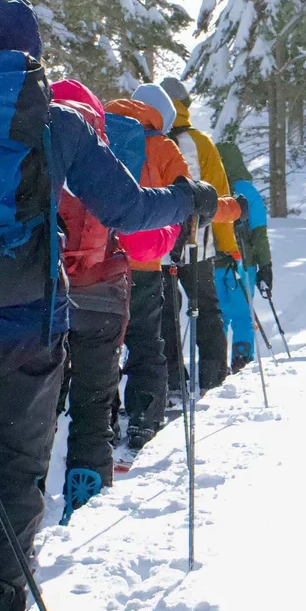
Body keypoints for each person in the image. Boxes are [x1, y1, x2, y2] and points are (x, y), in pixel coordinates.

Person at [0, 0, 218, 611]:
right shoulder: (58, 120)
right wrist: (189, 200)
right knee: (15, 474)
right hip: (29, 328)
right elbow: (127, 209)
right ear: (30, 53)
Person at [51, 78, 179, 516]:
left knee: (34, 401)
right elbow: (138, 229)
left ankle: (22, 495)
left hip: (37, 290)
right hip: (106, 285)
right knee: (99, 393)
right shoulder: (108, 143)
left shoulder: (28, 139)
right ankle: (88, 491)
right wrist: (174, 229)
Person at [105, 84, 192, 451]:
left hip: (102, 258)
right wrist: (180, 240)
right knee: (145, 341)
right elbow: (186, 197)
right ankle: (144, 418)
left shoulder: (100, 132)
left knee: (103, 342)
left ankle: (103, 420)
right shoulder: (164, 146)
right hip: (145, 259)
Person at [158, 75, 241, 393]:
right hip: (198, 245)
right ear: (185, 106)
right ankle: (214, 375)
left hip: (157, 247)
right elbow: (219, 198)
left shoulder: (147, 139)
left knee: (165, 312)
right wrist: (229, 245)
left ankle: (172, 377)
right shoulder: (201, 143)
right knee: (206, 307)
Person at [215, 141, 274, 371]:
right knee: (242, 315)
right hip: (242, 264)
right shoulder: (248, 192)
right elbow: (259, 234)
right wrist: (266, 266)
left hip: (213, 264)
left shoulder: (212, 189)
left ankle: (215, 363)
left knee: (217, 317)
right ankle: (241, 359)